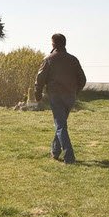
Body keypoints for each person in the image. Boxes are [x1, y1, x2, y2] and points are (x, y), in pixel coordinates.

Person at [35, 33, 86, 164]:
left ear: (53, 44)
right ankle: (55, 151)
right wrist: (75, 91)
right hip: (70, 96)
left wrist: (38, 93)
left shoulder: (49, 59)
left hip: (56, 96)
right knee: (61, 124)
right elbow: (83, 79)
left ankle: (69, 156)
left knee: (60, 126)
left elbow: (40, 78)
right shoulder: (73, 59)